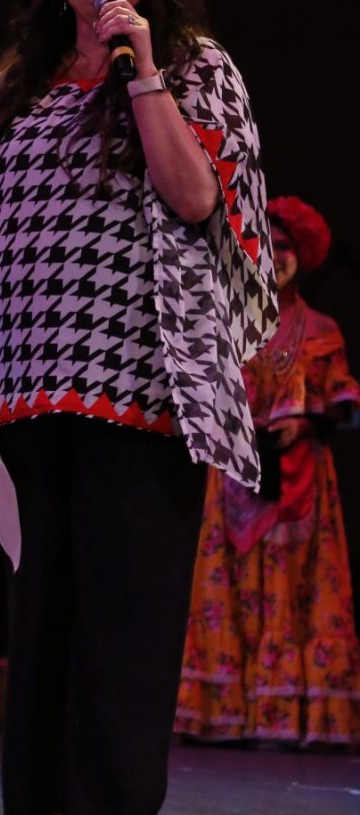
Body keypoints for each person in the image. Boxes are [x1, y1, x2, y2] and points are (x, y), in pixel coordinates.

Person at [0, 1, 274, 812]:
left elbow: (195, 197)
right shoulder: (17, 86)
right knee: (40, 633)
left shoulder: (194, 68)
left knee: (123, 640)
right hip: (25, 395)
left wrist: (143, 72)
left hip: (141, 395)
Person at [176, 196, 360, 746]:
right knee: (229, 584)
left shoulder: (322, 329)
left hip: (300, 476)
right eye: (268, 247)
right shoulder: (229, 323)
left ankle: (286, 715)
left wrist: (307, 420)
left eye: (286, 247)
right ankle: (225, 713)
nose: (277, 257)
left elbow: (342, 398)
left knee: (295, 585)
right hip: (237, 471)